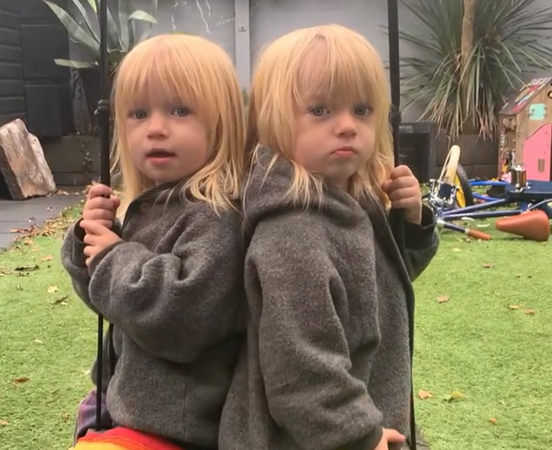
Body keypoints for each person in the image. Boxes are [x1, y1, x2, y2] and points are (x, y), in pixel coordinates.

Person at [219, 24, 439, 450]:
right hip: (313, 436)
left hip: (364, 415)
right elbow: (301, 370)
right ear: (274, 118)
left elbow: (378, 289)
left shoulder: (351, 198)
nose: (347, 126)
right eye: (320, 110)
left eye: (361, 109)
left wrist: (410, 224)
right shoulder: (292, 232)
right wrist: (358, 434)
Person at [60, 33, 247, 450]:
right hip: (128, 408)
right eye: (139, 113)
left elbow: (181, 318)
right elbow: (114, 301)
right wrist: (87, 240)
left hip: (180, 429)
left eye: (180, 110)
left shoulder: (215, 218)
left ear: (223, 122)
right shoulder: (156, 205)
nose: (156, 129)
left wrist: (111, 256)